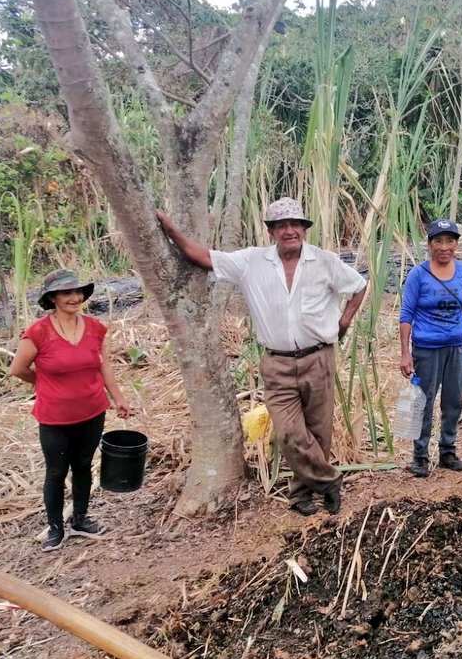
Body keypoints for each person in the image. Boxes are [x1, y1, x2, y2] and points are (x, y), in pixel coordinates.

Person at [156, 198, 366, 517]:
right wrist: (169, 228)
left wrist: (345, 320)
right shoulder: (251, 262)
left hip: (319, 358)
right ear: (270, 232)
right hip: (277, 363)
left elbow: (359, 286)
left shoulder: (326, 262)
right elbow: (203, 257)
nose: (289, 230)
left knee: (318, 432)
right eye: (281, 225)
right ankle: (329, 481)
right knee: (288, 432)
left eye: (295, 224)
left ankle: (301, 496)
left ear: (304, 230)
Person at [10, 269, 132, 552]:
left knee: (83, 465)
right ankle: (55, 527)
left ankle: (80, 518)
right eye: (66, 293)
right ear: (52, 298)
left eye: (77, 292)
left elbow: (104, 367)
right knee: (55, 471)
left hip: (92, 409)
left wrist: (118, 398)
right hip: (54, 416)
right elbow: (17, 369)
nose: (74, 297)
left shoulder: (95, 328)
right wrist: (44, 383)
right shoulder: (38, 332)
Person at [399, 219, 462, 478]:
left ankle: (448, 450)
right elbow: (406, 315)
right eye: (438, 241)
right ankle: (420, 456)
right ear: (428, 245)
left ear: (456, 245)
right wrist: (405, 353)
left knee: (453, 400)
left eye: (450, 241)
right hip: (426, 349)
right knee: (423, 402)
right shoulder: (418, 275)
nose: (444, 247)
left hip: (457, 347)